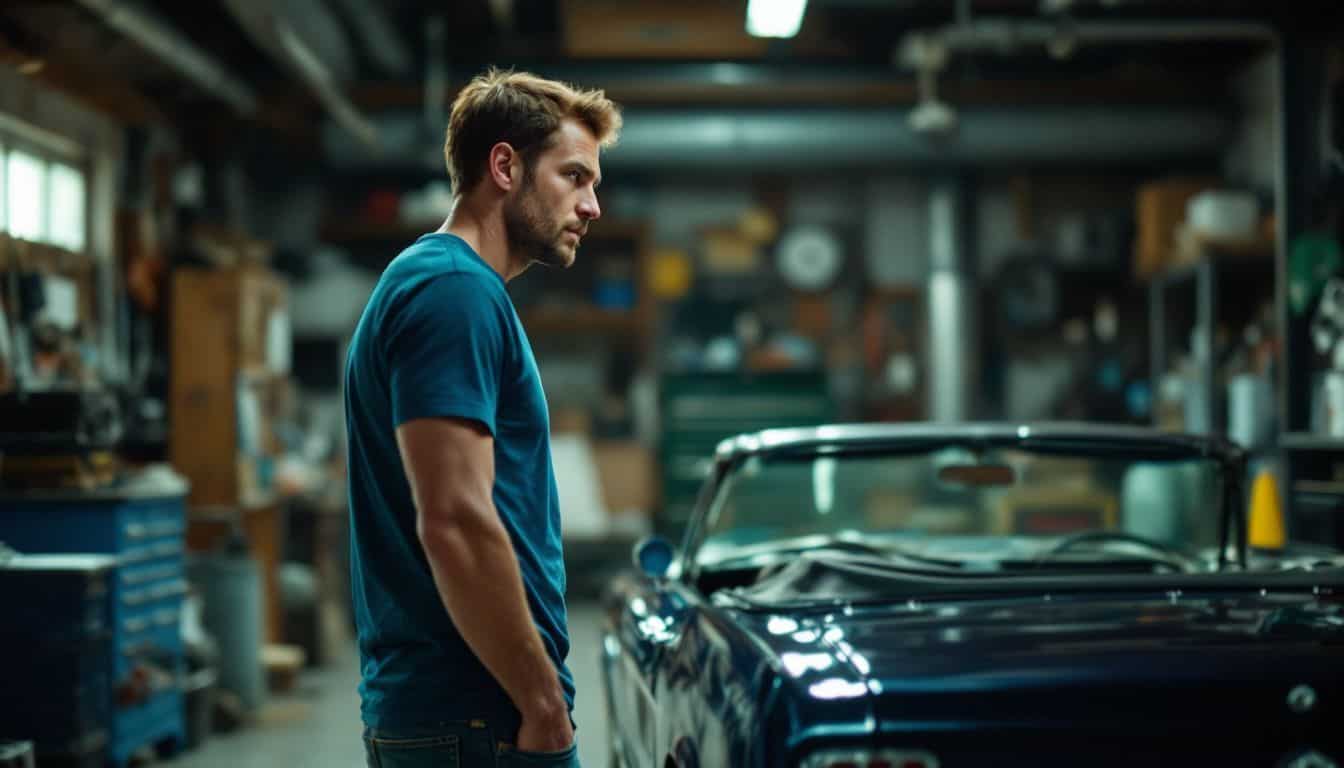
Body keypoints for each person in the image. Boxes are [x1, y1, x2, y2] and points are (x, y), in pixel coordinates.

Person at [343, 68, 621, 768]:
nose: (592, 206)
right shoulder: (452, 292)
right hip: (478, 715)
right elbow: (455, 521)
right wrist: (542, 703)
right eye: (574, 177)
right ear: (505, 165)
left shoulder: (453, 289)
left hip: (466, 712)